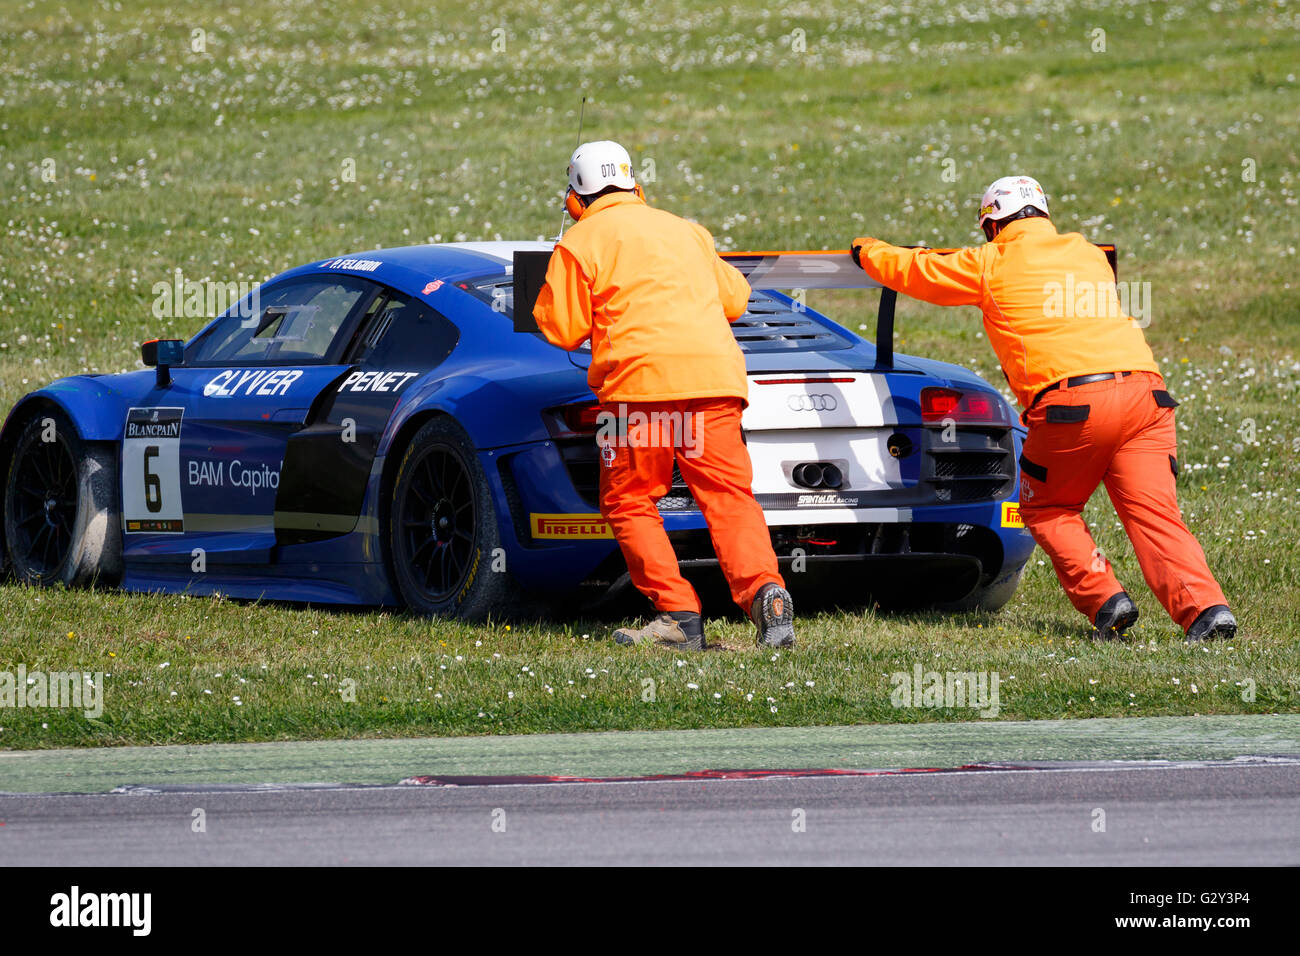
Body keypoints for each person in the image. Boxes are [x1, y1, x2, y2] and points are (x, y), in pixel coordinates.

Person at [849, 175, 1236, 642]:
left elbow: (918, 271)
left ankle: (1106, 600)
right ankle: (1207, 611)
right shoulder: (1089, 252)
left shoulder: (991, 260)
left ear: (992, 224)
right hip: (1146, 394)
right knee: (1154, 513)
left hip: (1073, 404)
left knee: (1048, 507)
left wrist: (866, 250)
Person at [533, 140, 794, 651]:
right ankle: (767, 592)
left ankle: (677, 614)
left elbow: (561, 329)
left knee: (628, 500)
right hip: (715, 386)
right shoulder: (687, 231)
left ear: (574, 200)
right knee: (728, 498)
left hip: (635, 393)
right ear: (638, 187)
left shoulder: (579, 242)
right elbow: (736, 300)